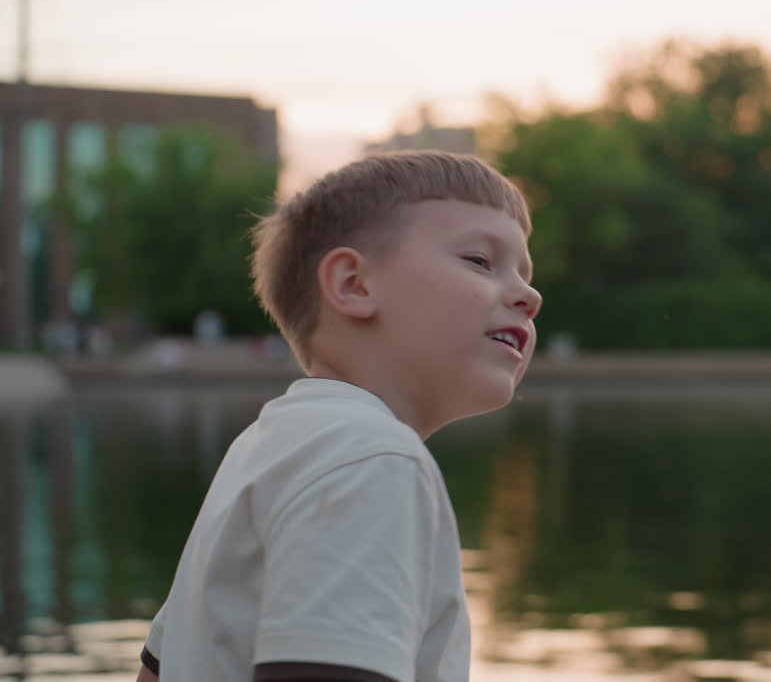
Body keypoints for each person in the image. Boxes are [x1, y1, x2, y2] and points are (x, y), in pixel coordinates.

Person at [136, 151, 541, 682]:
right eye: (479, 261)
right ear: (354, 284)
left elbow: (156, 672)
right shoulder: (373, 458)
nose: (529, 296)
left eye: (526, 274)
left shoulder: (266, 450)